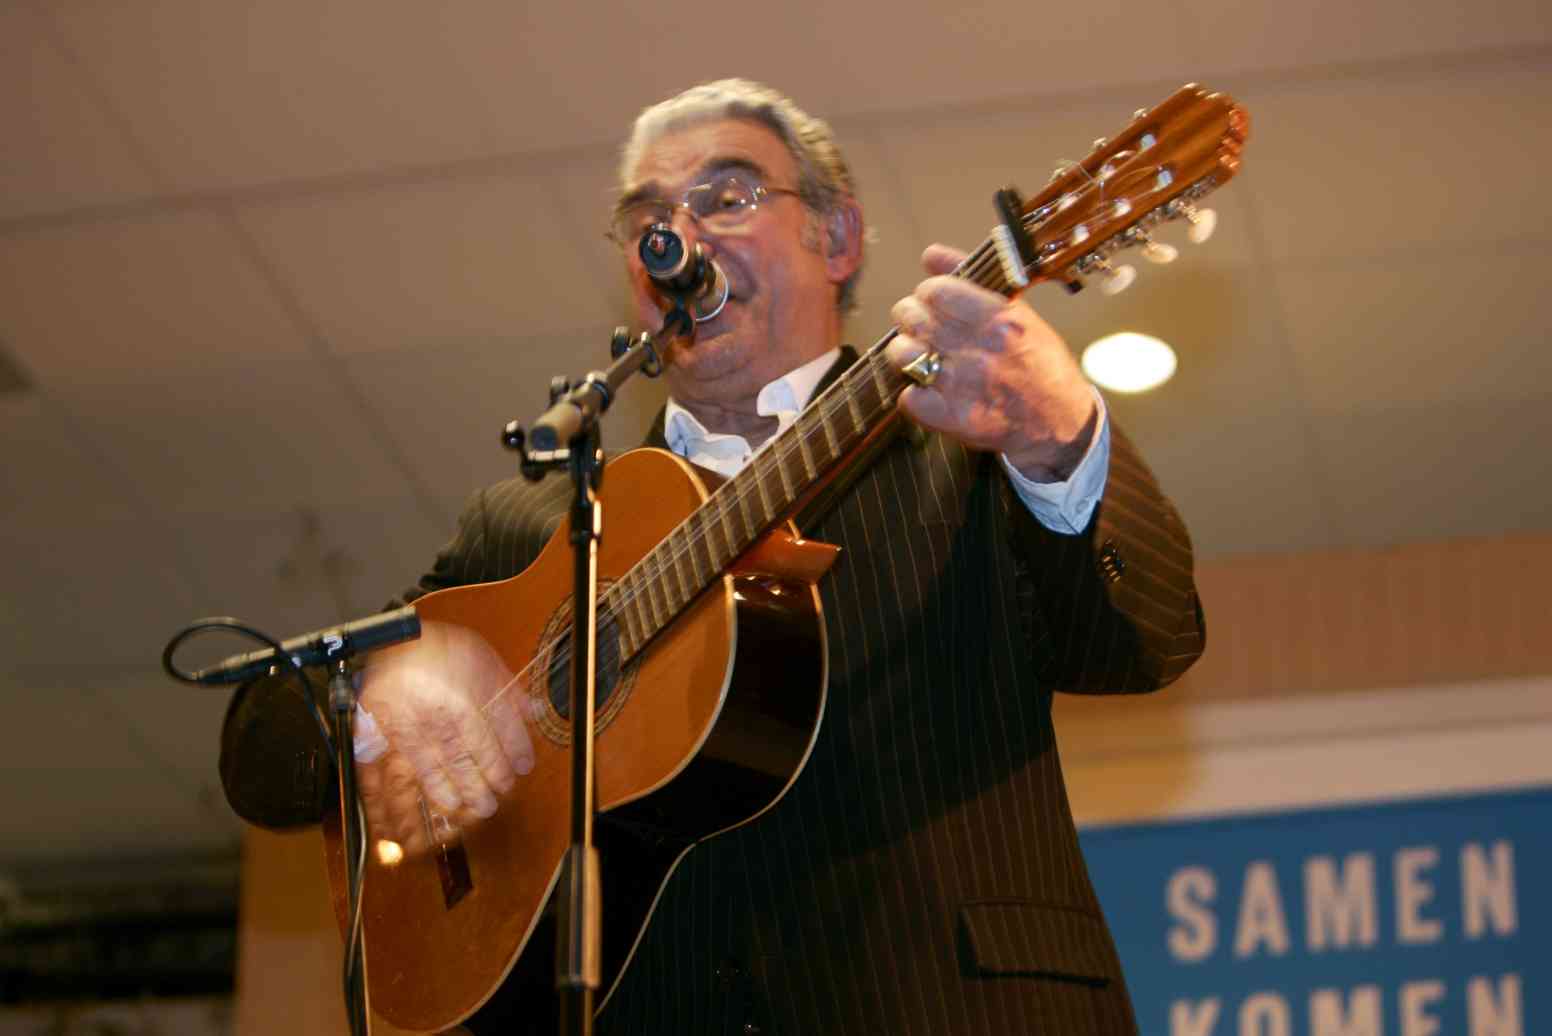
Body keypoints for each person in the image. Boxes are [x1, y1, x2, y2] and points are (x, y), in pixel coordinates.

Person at [220, 79, 1205, 1035]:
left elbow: (1145, 639)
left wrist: (1057, 435)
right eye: (647, 215)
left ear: (839, 238)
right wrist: (375, 700)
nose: (675, 237)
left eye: (726, 197)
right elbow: (264, 760)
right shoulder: (535, 525)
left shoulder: (962, 451)